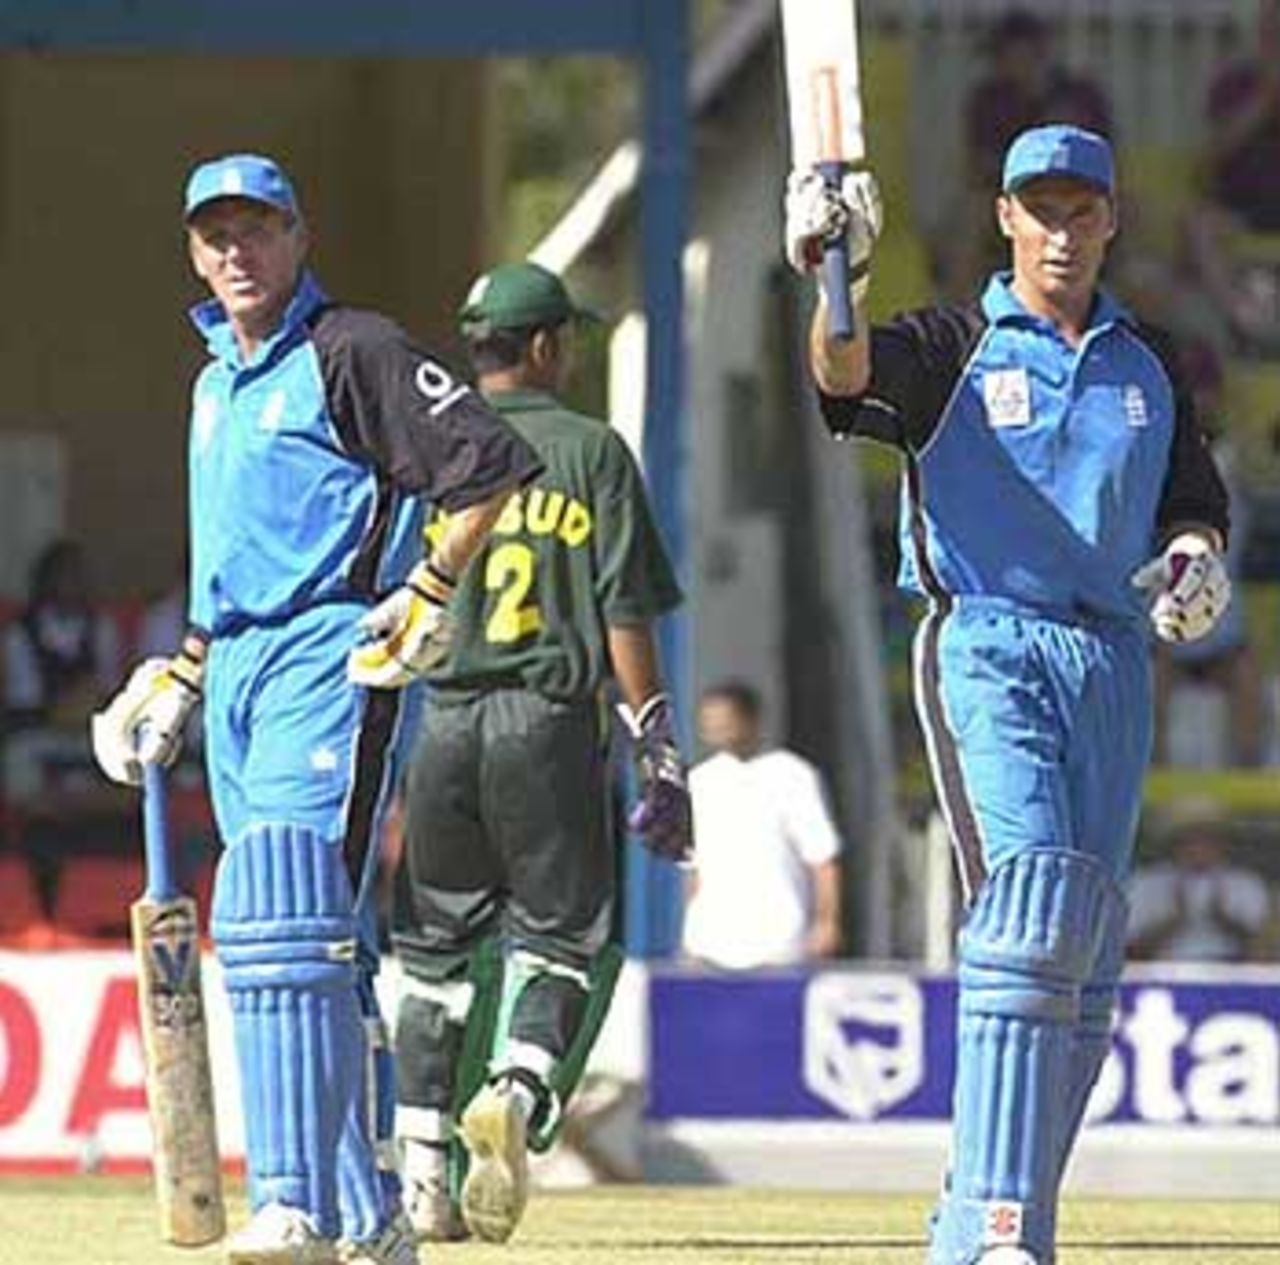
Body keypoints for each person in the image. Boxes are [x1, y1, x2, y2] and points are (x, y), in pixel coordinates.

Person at [785, 124, 1231, 1265]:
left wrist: (1191, 561)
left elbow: (1193, 505)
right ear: (1003, 218)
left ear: (1110, 220)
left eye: (1080, 210)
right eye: (1039, 208)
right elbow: (840, 373)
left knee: (1080, 952)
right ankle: (995, 1225)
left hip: (1113, 664)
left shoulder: (1150, 362)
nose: (1060, 231)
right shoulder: (949, 347)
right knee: (1027, 917)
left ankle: (984, 1216)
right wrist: (831, 272)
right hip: (988, 643)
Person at [90, 153, 541, 1265]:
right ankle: (370, 1213)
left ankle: (297, 1199)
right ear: (194, 250)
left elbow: (485, 466)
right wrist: (182, 668)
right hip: (236, 669)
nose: (235, 254)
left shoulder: (354, 350)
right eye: (215, 236)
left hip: (328, 652)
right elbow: (233, 555)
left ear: (298, 236)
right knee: (303, 946)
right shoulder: (214, 384)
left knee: (287, 918)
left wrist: (429, 588)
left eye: (256, 231)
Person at [390, 261, 690, 1246]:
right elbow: (623, 610)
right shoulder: (592, 452)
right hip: (545, 719)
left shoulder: (431, 444)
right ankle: (515, 1088)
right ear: (548, 346)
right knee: (558, 937)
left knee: (430, 955)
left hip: (441, 719)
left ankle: (422, 1171)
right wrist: (657, 743)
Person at [937, 9, 1113, 297]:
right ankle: (958, 309)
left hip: (1083, 192)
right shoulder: (989, 99)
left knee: (1129, 207)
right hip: (1013, 197)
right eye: (1004, 56)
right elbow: (978, 168)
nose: (1012, 64)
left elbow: (1109, 157)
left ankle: (1138, 319)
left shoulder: (1079, 94)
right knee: (968, 215)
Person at [682, 680, 843, 969]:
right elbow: (696, 867)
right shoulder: (699, 781)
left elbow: (822, 858)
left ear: (751, 720)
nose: (717, 727)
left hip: (778, 944)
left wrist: (826, 922)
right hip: (708, 944)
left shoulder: (792, 775)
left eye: (726, 719)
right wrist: (690, 929)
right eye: (710, 721)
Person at [1184, 0, 1280, 350]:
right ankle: (1243, 320)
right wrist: (1263, 104)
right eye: (1272, 29)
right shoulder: (1233, 83)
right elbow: (1209, 158)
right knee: (1198, 223)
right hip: (1238, 210)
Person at [1128, 796, 1272, 963]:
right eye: (1190, 839)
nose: (1199, 847)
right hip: (1163, 971)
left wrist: (1223, 919)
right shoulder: (1148, 882)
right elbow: (1129, 950)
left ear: (1222, 843)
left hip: (1229, 972)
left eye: (1208, 839)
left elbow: (1264, 948)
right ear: (1174, 843)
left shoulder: (1245, 882)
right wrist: (1174, 920)